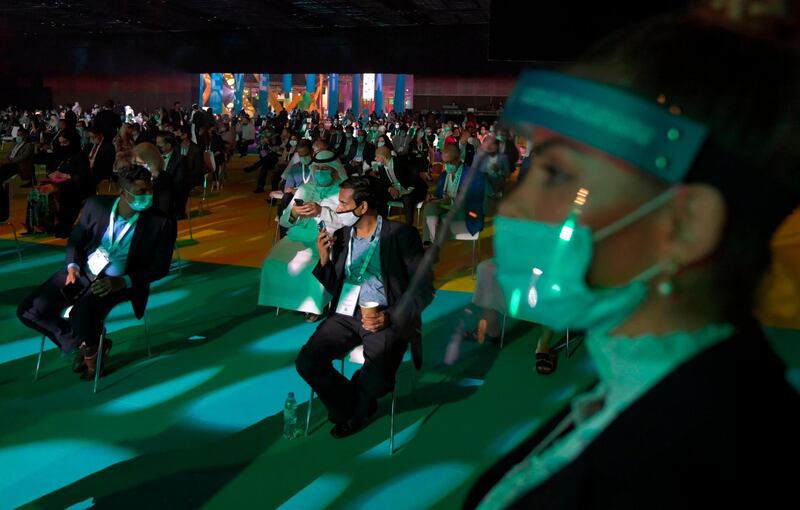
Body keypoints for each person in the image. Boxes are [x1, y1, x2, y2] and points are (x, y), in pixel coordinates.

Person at [465, 15, 800, 509]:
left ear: (684, 226)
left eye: (558, 174)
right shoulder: (649, 392)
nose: (512, 207)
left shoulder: (704, 475)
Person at [295, 176, 434, 438]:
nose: (337, 209)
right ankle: (357, 407)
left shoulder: (401, 235)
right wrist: (325, 259)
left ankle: (354, 405)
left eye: (343, 203)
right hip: (345, 313)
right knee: (307, 362)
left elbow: (424, 289)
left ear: (363, 207)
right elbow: (335, 284)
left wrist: (389, 317)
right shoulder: (343, 234)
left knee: (379, 379)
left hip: (385, 315)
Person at [17, 164, 176, 380]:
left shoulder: (162, 223)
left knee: (80, 317)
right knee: (29, 311)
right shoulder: (96, 205)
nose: (147, 196)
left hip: (119, 280)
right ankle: (83, 344)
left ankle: (90, 348)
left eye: (149, 190)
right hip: (83, 271)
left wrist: (123, 282)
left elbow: (160, 267)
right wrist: (72, 267)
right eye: (140, 192)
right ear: (123, 192)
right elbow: (76, 239)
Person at [259, 150, 349, 322]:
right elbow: (285, 221)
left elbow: (347, 220)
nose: (321, 172)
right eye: (318, 168)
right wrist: (294, 212)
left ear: (334, 169)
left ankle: (315, 305)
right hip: (298, 235)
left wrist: (321, 211)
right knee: (272, 262)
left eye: (325, 168)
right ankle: (285, 299)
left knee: (311, 266)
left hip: (327, 236)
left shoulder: (343, 191)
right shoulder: (305, 188)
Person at [422, 143, 486, 247]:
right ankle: (429, 244)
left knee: (443, 220)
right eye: (444, 162)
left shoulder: (474, 176)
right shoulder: (444, 175)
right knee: (429, 208)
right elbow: (439, 194)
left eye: (449, 162)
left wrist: (452, 201)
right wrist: (433, 197)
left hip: (464, 212)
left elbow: (476, 203)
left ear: (458, 159)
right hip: (445, 208)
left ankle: (433, 245)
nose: (446, 165)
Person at [371, 146, 427, 225]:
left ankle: (408, 226)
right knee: (378, 196)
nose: (375, 159)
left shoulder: (400, 161)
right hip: (396, 190)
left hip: (412, 189)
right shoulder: (381, 167)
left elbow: (414, 172)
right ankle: (383, 223)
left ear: (384, 156)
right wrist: (390, 188)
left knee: (407, 198)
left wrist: (407, 190)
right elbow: (383, 182)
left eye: (377, 156)